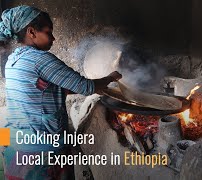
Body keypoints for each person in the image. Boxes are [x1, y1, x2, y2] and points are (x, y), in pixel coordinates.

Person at [0, 5, 122, 179]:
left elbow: (44, 88)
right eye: (49, 32)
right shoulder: (41, 59)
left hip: (14, 148)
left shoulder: (13, 60)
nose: (54, 38)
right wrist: (110, 77)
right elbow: (86, 87)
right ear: (32, 32)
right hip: (42, 157)